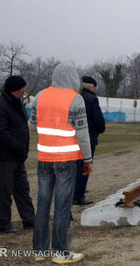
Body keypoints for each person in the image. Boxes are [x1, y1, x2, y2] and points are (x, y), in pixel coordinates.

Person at [28, 62, 93, 263]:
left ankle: (39, 251)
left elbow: (31, 125)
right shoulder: (76, 99)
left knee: (43, 204)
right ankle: (60, 251)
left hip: (44, 159)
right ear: (72, 78)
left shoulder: (40, 96)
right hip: (66, 160)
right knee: (62, 206)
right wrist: (88, 159)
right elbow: (82, 133)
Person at [0, 75, 35, 234]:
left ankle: (29, 220)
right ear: (16, 89)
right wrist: (16, 146)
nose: (25, 90)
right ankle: (4, 224)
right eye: (23, 87)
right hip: (4, 157)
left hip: (17, 156)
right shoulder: (0, 107)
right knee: (5, 191)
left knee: (22, 189)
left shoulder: (16, 104)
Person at [73, 76, 105, 206]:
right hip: (89, 137)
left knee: (76, 167)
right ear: (91, 87)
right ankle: (79, 196)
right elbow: (98, 119)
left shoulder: (76, 97)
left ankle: (74, 192)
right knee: (86, 166)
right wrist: (101, 128)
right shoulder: (92, 99)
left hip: (75, 138)